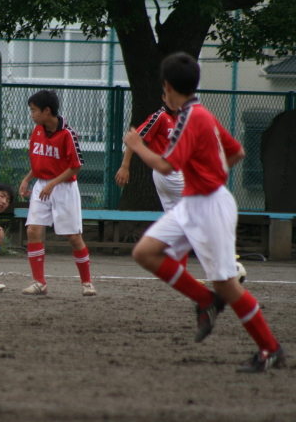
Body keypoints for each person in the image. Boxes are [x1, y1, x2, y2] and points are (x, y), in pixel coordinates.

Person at [124, 52, 285, 373]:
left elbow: (166, 165)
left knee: (226, 284)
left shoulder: (191, 118)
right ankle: (204, 299)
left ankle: (271, 349)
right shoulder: (201, 114)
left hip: (209, 205)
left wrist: (137, 145)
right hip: (192, 203)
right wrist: (212, 171)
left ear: (167, 87)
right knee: (145, 252)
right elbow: (237, 151)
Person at [19, 90, 96, 297]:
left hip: (64, 187)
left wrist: (52, 184)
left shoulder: (67, 134)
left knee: (74, 237)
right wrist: (27, 179)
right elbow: (40, 160)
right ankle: (39, 282)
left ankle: (87, 283)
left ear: (47, 111)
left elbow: (76, 166)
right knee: (33, 230)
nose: (31, 115)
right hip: (42, 185)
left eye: (33, 110)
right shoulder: (37, 130)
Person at [116, 94, 188, 268]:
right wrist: (125, 166)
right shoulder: (159, 117)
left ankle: (177, 270)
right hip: (168, 173)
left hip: (175, 173)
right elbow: (135, 138)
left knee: (179, 225)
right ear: (163, 97)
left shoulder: (184, 117)